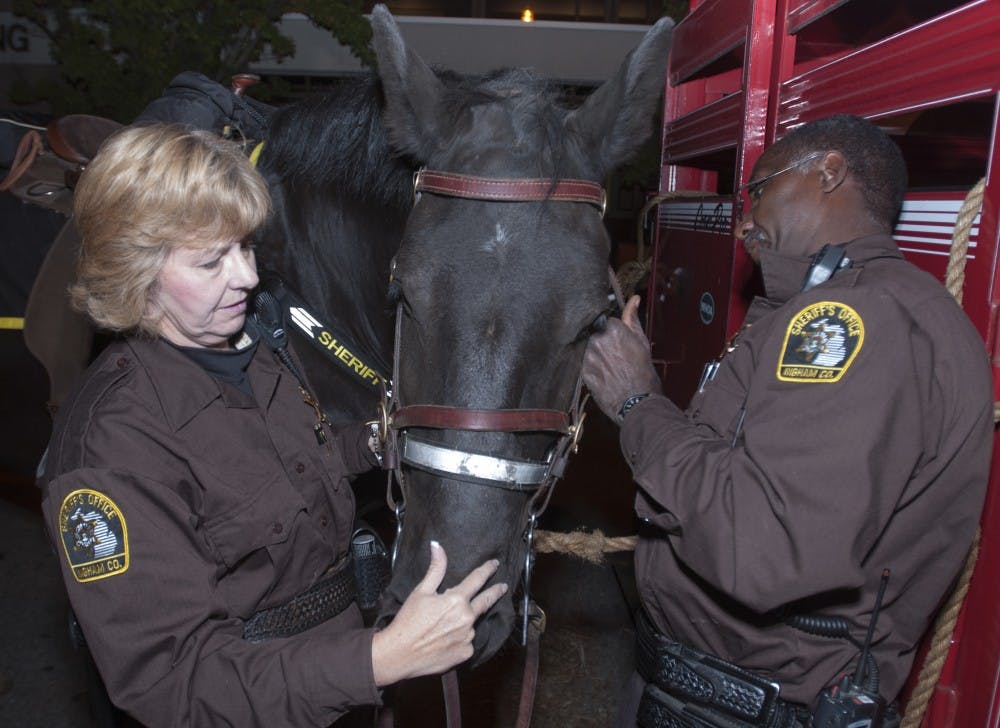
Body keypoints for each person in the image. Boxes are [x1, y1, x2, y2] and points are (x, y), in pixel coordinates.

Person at [38, 123, 508, 727]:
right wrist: (379, 661)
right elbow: (173, 683)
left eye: (246, 247)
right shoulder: (112, 442)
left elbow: (281, 469)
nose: (248, 278)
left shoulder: (247, 350)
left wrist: (373, 442)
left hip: (337, 687)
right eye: (212, 262)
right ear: (138, 274)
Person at [583, 114, 992, 727]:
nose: (746, 220)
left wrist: (638, 404)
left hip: (741, 708)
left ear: (828, 171)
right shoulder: (820, 309)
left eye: (760, 189)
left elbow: (762, 547)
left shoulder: (853, 322)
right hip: (705, 695)